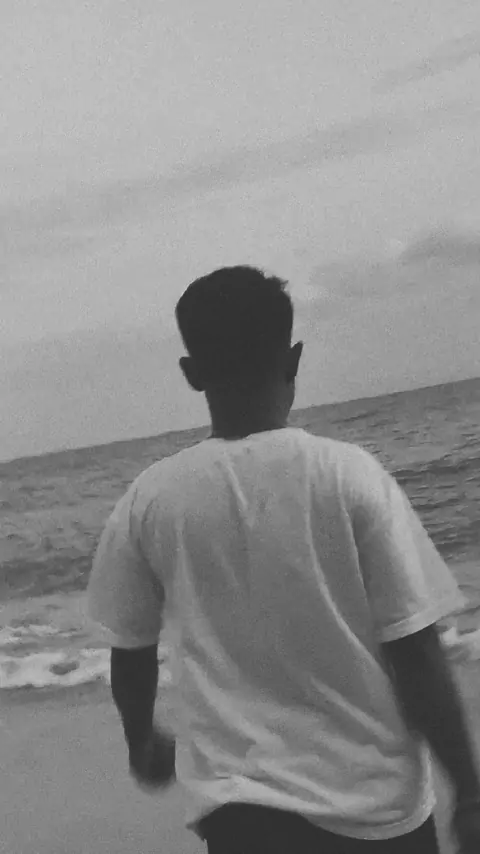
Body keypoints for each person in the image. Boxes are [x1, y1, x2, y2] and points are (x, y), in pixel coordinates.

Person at [87, 265, 480, 853]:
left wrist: (141, 741)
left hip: (242, 816)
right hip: (377, 809)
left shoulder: (150, 499)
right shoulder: (348, 476)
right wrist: (468, 791)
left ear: (191, 374)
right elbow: (415, 649)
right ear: (292, 360)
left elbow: (131, 652)